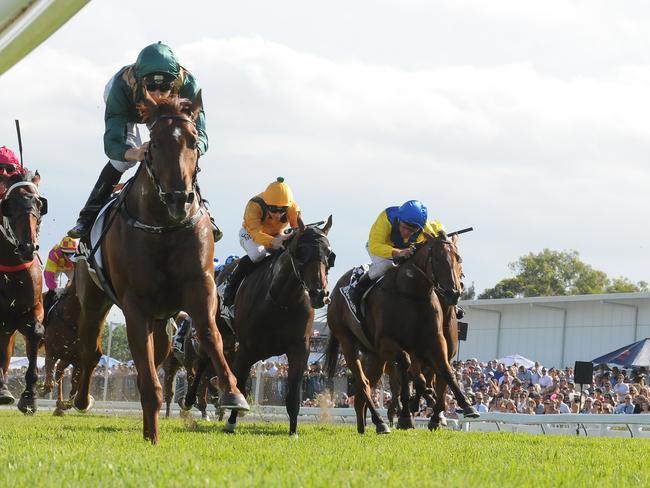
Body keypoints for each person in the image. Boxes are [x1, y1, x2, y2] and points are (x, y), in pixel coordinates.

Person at [67, 42, 209, 239]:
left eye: (165, 87)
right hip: (129, 107)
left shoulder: (189, 86)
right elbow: (112, 143)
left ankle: (203, 207)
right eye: (151, 86)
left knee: (178, 148)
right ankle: (87, 216)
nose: (158, 94)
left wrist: (190, 149)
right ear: (142, 82)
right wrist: (134, 152)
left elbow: (201, 135)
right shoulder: (121, 88)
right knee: (123, 161)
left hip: (169, 112)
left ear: (174, 83)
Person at [340, 200, 445, 317]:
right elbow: (375, 246)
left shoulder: (423, 226)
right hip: (380, 248)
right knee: (386, 266)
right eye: (405, 227)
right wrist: (398, 252)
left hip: (405, 250)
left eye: (412, 230)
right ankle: (356, 288)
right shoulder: (386, 219)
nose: (407, 233)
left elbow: (437, 226)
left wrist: (442, 233)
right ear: (399, 220)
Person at [220, 177, 300, 307]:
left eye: (282, 210)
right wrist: (274, 241)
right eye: (273, 209)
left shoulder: (293, 207)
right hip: (250, 233)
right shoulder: (254, 205)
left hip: (276, 235)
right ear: (266, 204)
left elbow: (297, 228)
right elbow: (256, 234)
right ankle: (229, 284)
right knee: (258, 253)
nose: (278, 215)